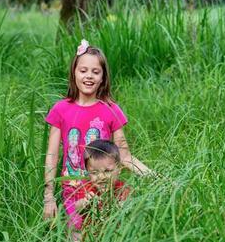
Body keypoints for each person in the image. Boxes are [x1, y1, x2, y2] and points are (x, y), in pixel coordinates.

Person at [43, 39, 150, 229]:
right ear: (74, 73)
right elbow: (52, 156)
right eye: (83, 70)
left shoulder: (111, 110)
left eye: (95, 71)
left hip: (105, 185)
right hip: (74, 188)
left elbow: (124, 155)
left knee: (108, 232)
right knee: (76, 234)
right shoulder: (61, 109)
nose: (89, 76)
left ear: (103, 77)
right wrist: (48, 197)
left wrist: (153, 177)